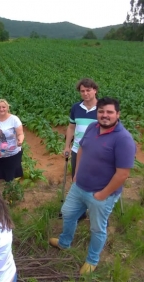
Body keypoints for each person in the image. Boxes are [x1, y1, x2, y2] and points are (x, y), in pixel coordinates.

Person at [50, 97, 136, 275]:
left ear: (118, 114)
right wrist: (77, 174)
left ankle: (92, 260)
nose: (105, 115)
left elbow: (123, 174)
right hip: (79, 186)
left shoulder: (123, 139)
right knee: (67, 213)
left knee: (97, 228)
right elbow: (82, 149)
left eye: (109, 112)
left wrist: (103, 194)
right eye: (101, 111)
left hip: (101, 194)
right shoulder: (92, 127)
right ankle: (64, 242)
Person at [63, 78, 98, 221]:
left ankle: (97, 211)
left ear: (95, 90)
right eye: (82, 91)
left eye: (88, 90)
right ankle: (81, 212)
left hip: (98, 153)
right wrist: (67, 146)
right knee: (77, 180)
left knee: (98, 181)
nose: (85, 93)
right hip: (77, 150)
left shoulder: (102, 108)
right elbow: (71, 127)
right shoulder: (76, 108)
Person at [0, 99, 24, 185]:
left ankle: (11, 195)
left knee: (10, 178)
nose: (1, 109)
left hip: (11, 154)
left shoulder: (14, 119)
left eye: (3, 107)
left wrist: (20, 140)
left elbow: (20, 134)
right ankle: (0, 195)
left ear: (7, 108)